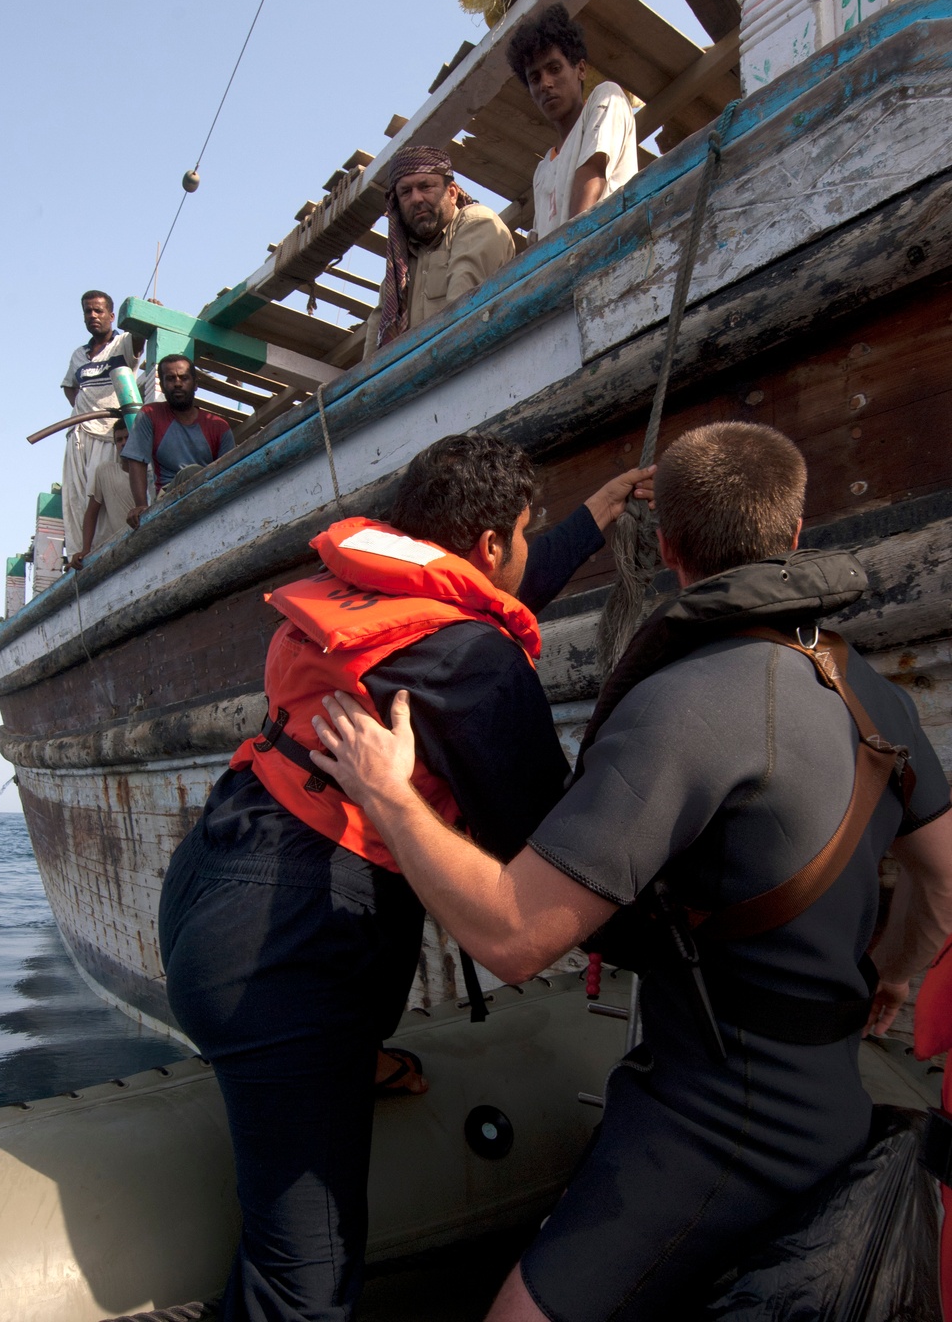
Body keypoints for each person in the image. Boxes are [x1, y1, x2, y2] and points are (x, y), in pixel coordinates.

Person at [312, 421, 952, 1322]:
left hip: (712, 1126)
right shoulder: (867, 689)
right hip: (835, 1101)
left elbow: (513, 937)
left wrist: (389, 797)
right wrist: (890, 972)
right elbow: (945, 879)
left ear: (672, 549)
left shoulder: (680, 708)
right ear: (796, 535)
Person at [157, 433, 655, 1321]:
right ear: (491, 545)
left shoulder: (377, 591)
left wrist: (594, 519)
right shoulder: (475, 662)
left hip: (210, 882)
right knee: (304, 1292)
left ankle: (345, 1058)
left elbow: (473, 618)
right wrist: (671, 936)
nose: (530, 553)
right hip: (285, 955)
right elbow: (549, 850)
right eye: (529, 536)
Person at [362, 146, 516, 358]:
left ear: (451, 193)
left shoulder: (476, 221)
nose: (416, 199)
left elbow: (462, 315)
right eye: (405, 192)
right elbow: (373, 354)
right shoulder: (400, 268)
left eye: (425, 187)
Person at [507, 4, 637, 242]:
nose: (545, 83)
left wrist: (567, 255)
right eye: (534, 78)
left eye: (554, 69)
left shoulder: (607, 98)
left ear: (581, 69)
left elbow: (593, 176)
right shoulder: (543, 170)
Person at [60, 289, 147, 555]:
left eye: (98, 311)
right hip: (78, 433)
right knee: (74, 497)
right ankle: (77, 553)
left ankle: (98, 551)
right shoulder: (79, 354)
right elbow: (69, 386)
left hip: (108, 431)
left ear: (111, 315)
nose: (93, 316)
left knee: (98, 495)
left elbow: (139, 343)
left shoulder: (121, 343)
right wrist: (82, 407)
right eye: (88, 311)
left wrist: (145, 314)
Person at [121, 354, 234, 527]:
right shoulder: (150, 414)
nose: (178, 383)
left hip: (209, 495)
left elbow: (229, 473)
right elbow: (136, 460)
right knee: (191, 473)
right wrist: (141, 506)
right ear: (163, 386)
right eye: (170, 379)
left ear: (195, 384)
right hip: (167, 499)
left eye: (184, 378)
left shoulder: (219, 426)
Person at [69, 419, 136, 567]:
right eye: (119, 440)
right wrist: (85, 549)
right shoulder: (105, 471)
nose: (123, 443)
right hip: (120, 546)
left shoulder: (150, 471)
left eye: (128, 437)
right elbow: (91, 512)